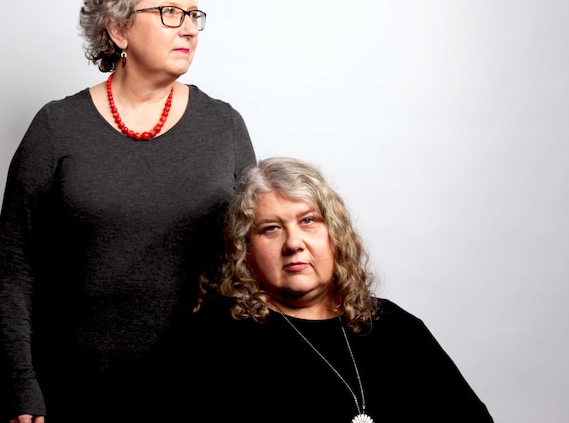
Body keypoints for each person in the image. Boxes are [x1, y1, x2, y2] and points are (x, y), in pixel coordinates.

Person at [0, 0, 256, 422]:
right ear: (118, 28)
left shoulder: (224, 126)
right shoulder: (57, 127)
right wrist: (19, 388)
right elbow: (15, 267)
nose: (190, 29)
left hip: (199, 390)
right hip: (73, 390)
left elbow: (250, 260)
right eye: (170, 12)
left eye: (194, 15)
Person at [164, 157, 493, 422]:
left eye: (308, 221)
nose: (294, 243)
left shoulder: (397, 327)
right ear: (246, 250)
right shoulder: (215, 340)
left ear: (334, 234)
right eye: (272, 228)